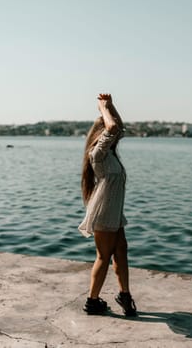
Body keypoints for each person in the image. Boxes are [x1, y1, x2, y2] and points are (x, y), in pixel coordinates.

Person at [78, 93, 137, 316]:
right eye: (106, 128)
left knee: (121, 250)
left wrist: (111, 105)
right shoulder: (98, 153)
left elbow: (118, 128)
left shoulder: (110, 153)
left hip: (114, 213)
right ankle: (92, 302)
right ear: (100, 133)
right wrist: (102, 108)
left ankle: (124, 295)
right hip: (104, 214)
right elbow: (112, 128)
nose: (113, 133)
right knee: (103, 256)